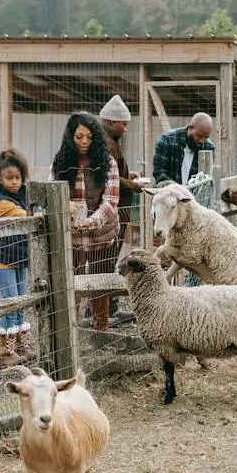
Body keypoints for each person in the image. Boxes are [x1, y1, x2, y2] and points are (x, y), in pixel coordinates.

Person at [51, 111, 121, 331]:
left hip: (101, 234)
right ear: (70, 136)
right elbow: (52, 193)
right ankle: (70, 332)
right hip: (71, 235)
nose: (84, 142)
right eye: (79, 136)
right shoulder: (60, 162)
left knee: (100, 283)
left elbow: (111, 201)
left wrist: (92, 221)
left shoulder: (107, 162)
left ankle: (101, 330)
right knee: (71, 281)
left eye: (89, 137)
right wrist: (66, 207)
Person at [0, 148, 37, 366]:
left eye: (18, 178)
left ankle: (19, 346)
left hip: (20, 257)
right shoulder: (3, 203)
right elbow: (26, 216)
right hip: (2, 260)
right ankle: (5, 352)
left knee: (21, 301)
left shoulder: (23, 194)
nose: (14, 182)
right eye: (9, 178)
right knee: (11, 303)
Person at [99, 94, 144, 317]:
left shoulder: (110, 142)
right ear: (111, 122)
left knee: (108, 258)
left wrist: (128, 176)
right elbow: (110, 179)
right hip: (113, 210)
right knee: (106, 259)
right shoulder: (107, 144)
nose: (125, 129)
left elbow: (116, 174)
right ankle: (103, 311)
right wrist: (133, 185)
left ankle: (105, 308)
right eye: (123, 124)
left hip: (117, 208)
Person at [152, 112, 216, 186]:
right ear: (191, 128)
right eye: (199, 136)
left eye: (206, 137)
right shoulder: (167, 140)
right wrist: (180, 190)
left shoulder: (209, 148)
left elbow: (205, 180)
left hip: (193, 196)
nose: (202, 141)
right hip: (167, 193)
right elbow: (159, 173)